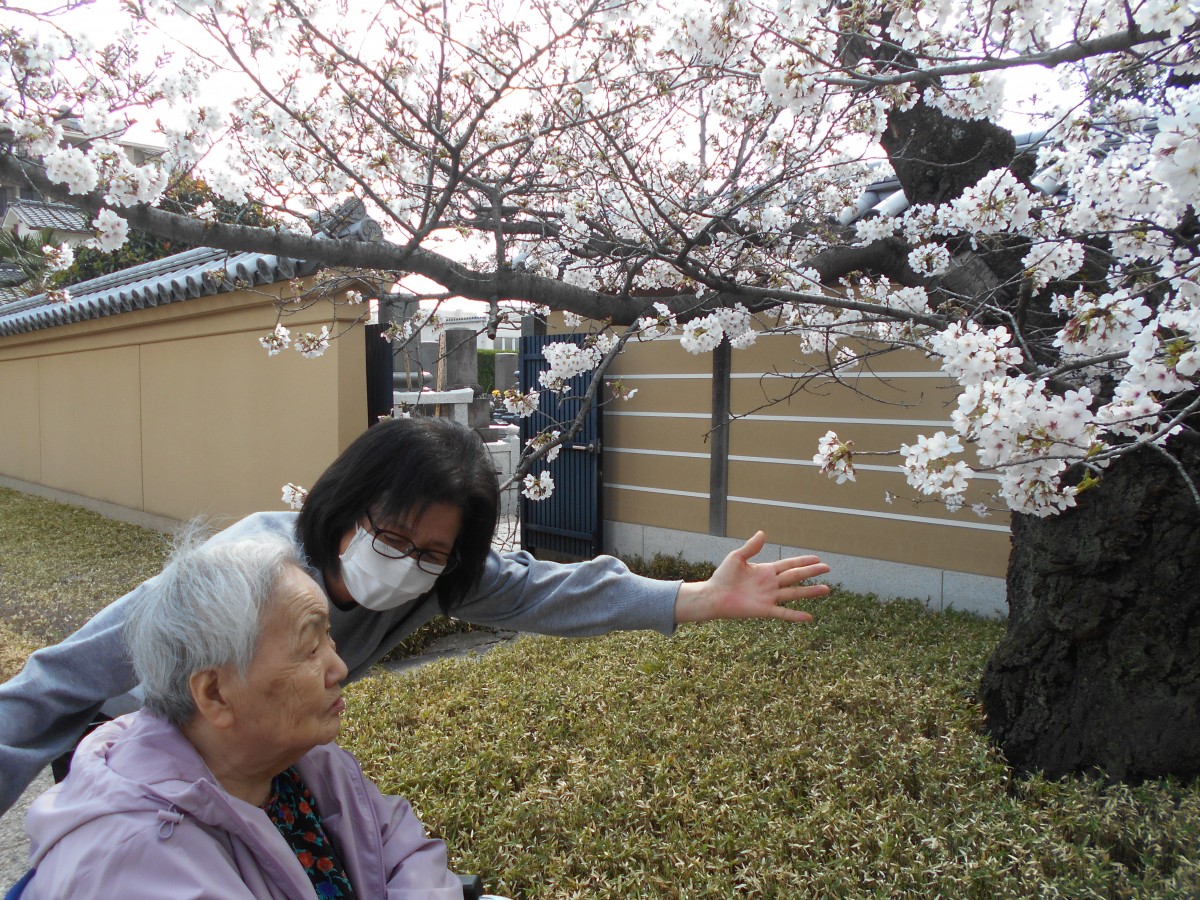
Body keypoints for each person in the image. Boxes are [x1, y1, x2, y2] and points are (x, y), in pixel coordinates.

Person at [0, 416, 831, 815]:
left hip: (252, 763)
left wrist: (697, 598)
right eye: (393, 538)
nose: (407, 565)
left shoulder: (435, 579)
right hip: (128, 750)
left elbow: (547, 590)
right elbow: (57, 682)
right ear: (346, 506)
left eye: (433, 552)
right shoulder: (244, 572)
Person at [22, 532, 484, 899]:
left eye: (329, 637)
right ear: (215, 694)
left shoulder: (299, 762)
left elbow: (405, 850)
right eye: (310, 648)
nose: (340, 669)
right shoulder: (134, 862)